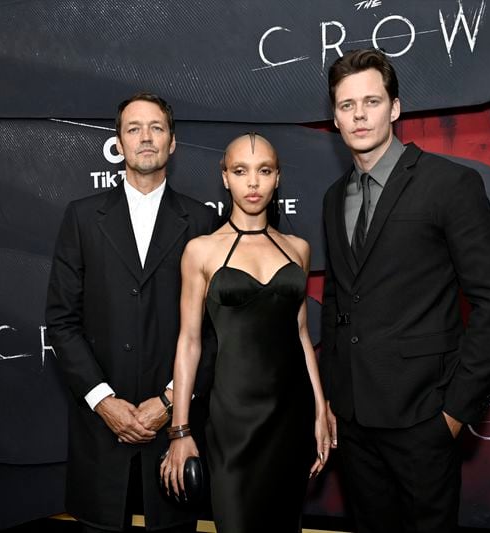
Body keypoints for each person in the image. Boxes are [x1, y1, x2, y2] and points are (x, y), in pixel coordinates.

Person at [320, 49, 490, 532]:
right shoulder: (332, 197)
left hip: (422, 417)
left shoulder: (450, 184)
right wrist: (329, 395)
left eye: (371, 101)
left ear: (396, 108)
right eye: (347, 105)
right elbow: (341, 300)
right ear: (335, 118)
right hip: (353, 421)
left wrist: (453, 413)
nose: (359, 115)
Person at [45, 92, 217, 532]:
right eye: (134, 128)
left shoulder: (201, 223)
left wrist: (169, 401)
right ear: (118, 143)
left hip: (173, 433)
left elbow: (215, 332)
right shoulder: (82, 218)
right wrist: (104, 403)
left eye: (156, 128)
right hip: (101, 433)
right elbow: (62, 321)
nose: (146, 138)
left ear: (172, 143)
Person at [160, 133, 331, 533]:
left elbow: (302, 334)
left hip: (291, 417)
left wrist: (321, 410)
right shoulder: (201, 251)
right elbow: (189, 341)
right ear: (225, 178)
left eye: (264, 171)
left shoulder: (298, 249)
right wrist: (180, 430)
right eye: (241, 171)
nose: (252, 183)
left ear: (277, 179)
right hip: (232, 423)